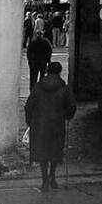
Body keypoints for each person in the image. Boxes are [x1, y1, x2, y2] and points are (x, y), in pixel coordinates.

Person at [24, 61, 77, 192]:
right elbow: (72, 106)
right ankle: (52, 176)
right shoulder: (64, 88)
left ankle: (44, 180)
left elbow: (28, 106)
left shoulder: (38, 87)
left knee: (43, 153)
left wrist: (30, 121)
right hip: (57, 124)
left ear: (47, 71)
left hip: (40, 124)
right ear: (59, 72)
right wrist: (66, 115)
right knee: (55, 151)